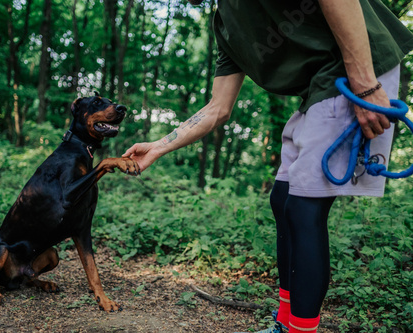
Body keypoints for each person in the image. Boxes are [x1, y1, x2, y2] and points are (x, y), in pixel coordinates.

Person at [123, 1, 413, 332]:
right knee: (283, 199)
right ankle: (286, 322)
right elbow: (218, 107)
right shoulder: (227, 24)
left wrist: (365, 83)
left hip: (359, 68)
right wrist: (158, 147)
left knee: (304, 208)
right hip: (320, 86)